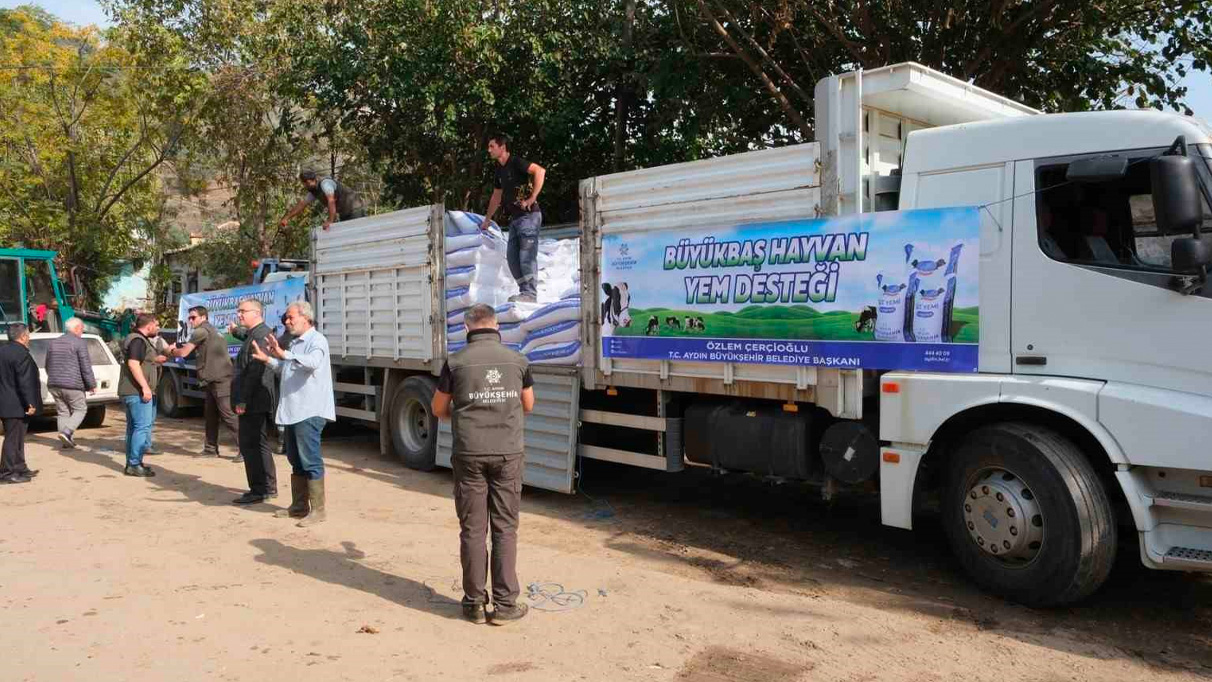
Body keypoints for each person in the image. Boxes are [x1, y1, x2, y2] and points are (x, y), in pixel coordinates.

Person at [431, 303, 536, 626]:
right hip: (507, 453)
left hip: (469, 454)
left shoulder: (455, 362)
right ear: (496, 327)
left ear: (467, 329)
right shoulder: (518, 360)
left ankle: (474, 604)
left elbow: (437, 408)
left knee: (473, 529)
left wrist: (463, 415)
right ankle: (505, 605)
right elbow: (528, 405)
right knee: (505, 528)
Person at [250, 301, 335, 527]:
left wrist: (284, 354)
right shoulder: (295, 343)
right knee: (295, 460)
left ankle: (319, 510)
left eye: (290, 317)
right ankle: (299, 507)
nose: (287, 322)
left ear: (306, 318)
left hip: (310, 410)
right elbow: (286, 368)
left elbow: (312, 363)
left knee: (310, 460)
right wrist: (269, 360)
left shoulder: (317, 341)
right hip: (293, 411)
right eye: (285, 319)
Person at [481, 134, 546, 303]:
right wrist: (487, 219)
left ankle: (530, 294)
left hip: (529, 216)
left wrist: (532, 198)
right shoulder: (499, 171)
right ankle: (525, 292)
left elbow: (540, 171)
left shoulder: (516, 162)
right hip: (516, 219)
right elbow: (496, 196)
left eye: (491, 146)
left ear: (502, 147)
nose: (489, 150)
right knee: (512, 259)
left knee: (526, 256)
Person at [172, 306, 240, 459]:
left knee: (228, 415)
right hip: (212, 378)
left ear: (203, 317)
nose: (190, 320)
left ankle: (245, 450)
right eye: (189, 318)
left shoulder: (201, 331)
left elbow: (184, 353)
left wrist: (169, 351)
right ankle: (210, 449)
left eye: (193, 317)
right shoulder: (212, 330)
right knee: (210, 415)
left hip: (219, 379)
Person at [230, 299, 278, 505]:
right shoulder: (257, 333)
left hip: (254, 399)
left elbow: (255, 371)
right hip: (256, 398)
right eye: (238, 311)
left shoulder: (262, 335)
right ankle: (267, 487)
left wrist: (242, 400)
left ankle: (259, 489)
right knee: (258, 443)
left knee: (251, 445)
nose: (239, 314)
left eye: (243, 311)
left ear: (257, 313)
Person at [118, 314, 166, 478]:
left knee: (134, 428)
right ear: (149, 325)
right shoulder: (138, 340)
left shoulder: (135, 340)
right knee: (142, 427)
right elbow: (133, 363)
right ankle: (134, 464)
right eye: (157, 325)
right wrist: (145, 387)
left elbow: (140, 361)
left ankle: (133, 462)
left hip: (130, 391)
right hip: (136, 392)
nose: (158, 328)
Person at [43, 317, 97, 449]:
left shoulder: (53, 343)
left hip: (54, 384)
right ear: (77, 328)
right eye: (82, 329)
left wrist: (54, 378)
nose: (82, 331)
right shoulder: (79, 343)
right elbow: (85, 366)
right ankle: (67, 432)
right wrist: (91, 384)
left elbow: (47, 364)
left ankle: (65, 441)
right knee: (81, 409)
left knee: (63, 412)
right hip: (73, 385)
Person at [0, 324, 42, 484]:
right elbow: (24, 381)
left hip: (6, 401)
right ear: (23, 336)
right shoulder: (21, 353)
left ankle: (19, 467)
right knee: (13, 439)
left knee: (17, 438)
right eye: (28, 335)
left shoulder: (2, 350)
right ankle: (7, 472)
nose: (29, 338)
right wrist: (29, 403)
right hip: (16, 403)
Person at [278, 170, 366, 231]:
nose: (304, 186)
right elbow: (302, 205)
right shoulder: (313, 191)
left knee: (357, 237)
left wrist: (330, 221)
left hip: (355, 209)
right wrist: (286, 218)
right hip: (344, 213)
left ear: (308, 182)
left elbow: (331, 201)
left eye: (304, 184)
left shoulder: (325, 184)